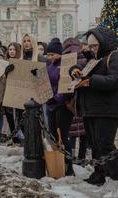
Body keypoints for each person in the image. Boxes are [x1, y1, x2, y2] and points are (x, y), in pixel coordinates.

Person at [69, 27, 118, 186]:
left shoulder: (114, 56)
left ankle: (116, 178)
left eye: (94, 46)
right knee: (94, 145)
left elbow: (114, 79)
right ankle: (99, 174)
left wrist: (90, 82)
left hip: (106, 110)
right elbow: (79, 66)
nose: (91, 49)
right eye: (89, 46)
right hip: (90, 109)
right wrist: (75, 71)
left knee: (105, 144)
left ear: (103, 43)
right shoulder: (92, 59)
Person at [45, 37, 74, 176]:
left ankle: (69, 166)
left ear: (59, 53)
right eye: (48, 55)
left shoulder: (65, 65)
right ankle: (57, 164)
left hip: (61, 105)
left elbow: (66, 85)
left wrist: (55, 98)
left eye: (52, 54)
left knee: (64, 135)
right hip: (51, 105)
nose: (50, 57)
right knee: (53, 135)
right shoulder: (49, 66)